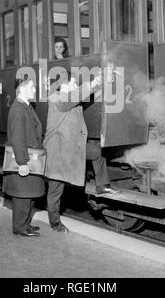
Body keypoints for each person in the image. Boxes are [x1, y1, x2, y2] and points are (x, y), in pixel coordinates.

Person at [43, 72, 116, 233]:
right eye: (73, 83)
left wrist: (103, 83)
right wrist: (95, 81)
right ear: (62, 85)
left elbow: (81, 96)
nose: (75, 86)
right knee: (56, 189)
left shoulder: (70, 98)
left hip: (73, 145)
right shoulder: (57, 97)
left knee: (96, 152)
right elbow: (74, 97)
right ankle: (55, 222)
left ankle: (102, 186)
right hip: (58, 149)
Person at [2, 75, 45, 237]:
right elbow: (17, 138)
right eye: (32, 87)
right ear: (22, 89)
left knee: (30, 193)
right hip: (25, 157)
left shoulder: (26, 106)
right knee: (23, 194)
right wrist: (22, 162)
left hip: (31, 156)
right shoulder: (18, 109)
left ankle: (26, 223)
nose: (35, 90)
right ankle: (19, 226)